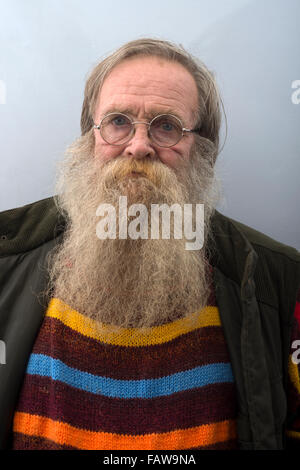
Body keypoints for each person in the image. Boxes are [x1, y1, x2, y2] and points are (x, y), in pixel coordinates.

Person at [0, 38, 299, 451]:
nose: (139, 146)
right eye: (118, 121)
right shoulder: (4, 260)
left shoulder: (279, 282)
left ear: (202, 151)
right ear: (91, 140)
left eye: (166, 126)